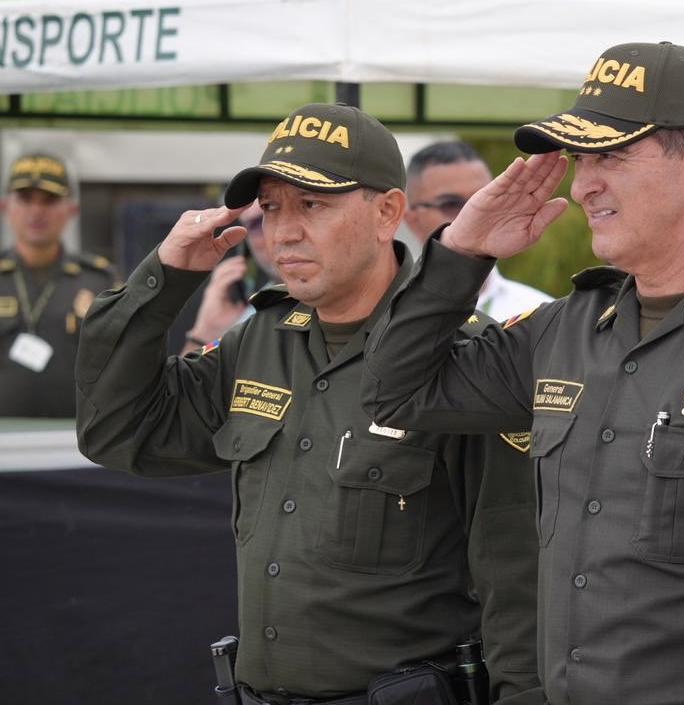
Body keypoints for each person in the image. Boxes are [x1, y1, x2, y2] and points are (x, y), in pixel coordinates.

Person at [361, 41, 684, 705]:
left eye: (610, 156)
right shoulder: (567, 328)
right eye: (581, 160)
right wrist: (461, 253)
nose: (583, 183)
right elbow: (396, 390)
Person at [75, 103, 540, 704]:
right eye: (271, 208)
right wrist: (164, 279)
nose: (284, 232)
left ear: (387, 213)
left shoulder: (462, 356)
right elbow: (120, 431)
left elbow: (519, 583)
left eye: (312, 205)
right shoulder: (263, 336)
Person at [0, 153, 118, 417]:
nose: (36, 211)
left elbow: (121, 365)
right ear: (5, 206)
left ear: (71, 210)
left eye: (49, 200)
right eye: (25, 199)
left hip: (76, 441)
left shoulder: (100, 280)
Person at [402, 140, 552, 320]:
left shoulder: (538, 314)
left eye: (484, 199)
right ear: (412, 221)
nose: (473, 214)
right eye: (450, 204)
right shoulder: (386, 312)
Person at [178, 202, 278, 355]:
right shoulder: (251, 316)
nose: (281, 234)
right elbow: (185, 378)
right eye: (256, 224)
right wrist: (205, 333)